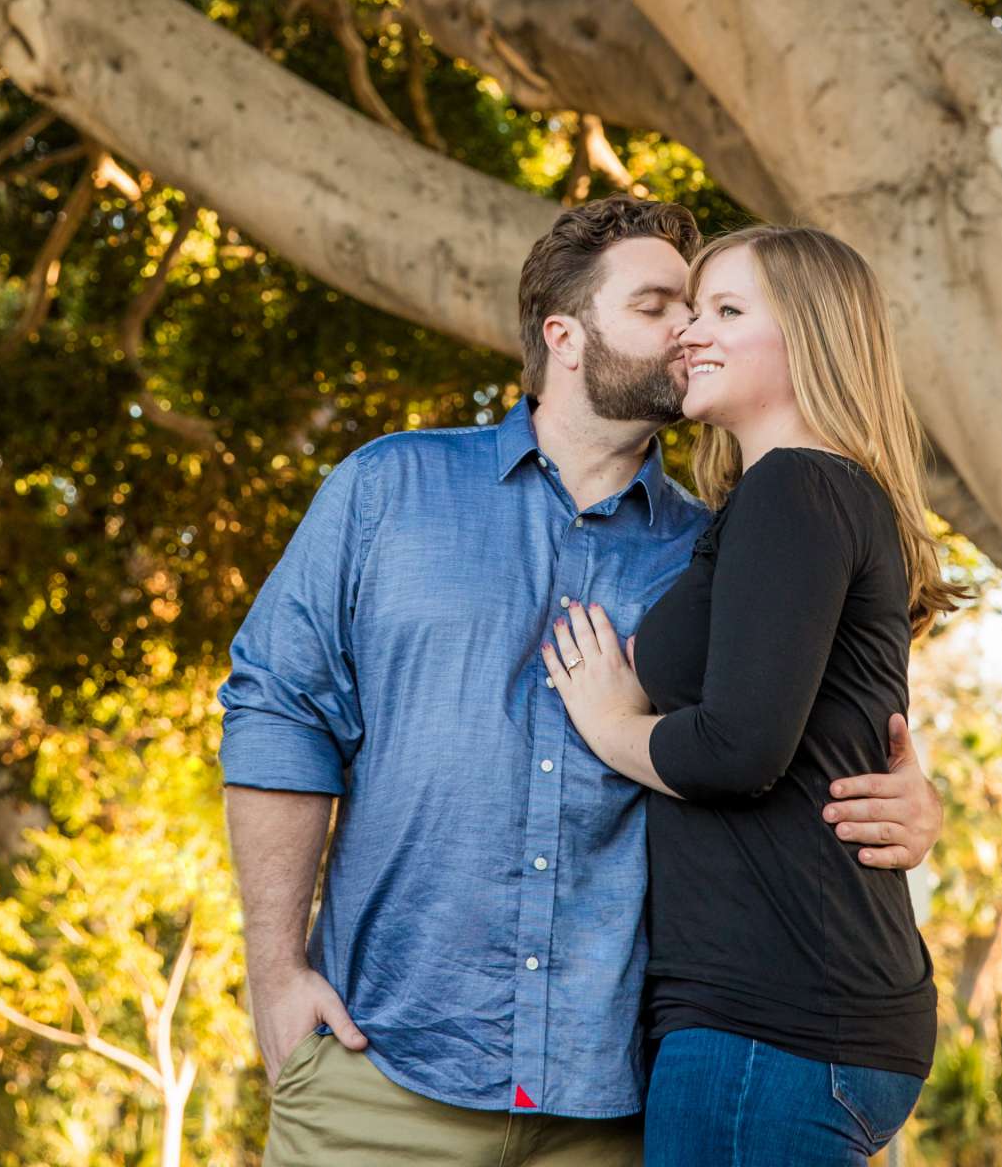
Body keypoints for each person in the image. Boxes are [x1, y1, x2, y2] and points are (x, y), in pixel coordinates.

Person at [220, 198, 942, 1166]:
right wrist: (274, 974)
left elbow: (816, 725)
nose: (687, 330)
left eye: (710, 310)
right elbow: (278, 714)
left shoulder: (721, 543)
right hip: (384, 1066)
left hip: (616, 1098)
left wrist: (915, 801)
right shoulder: (387, 491)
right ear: (564, 335)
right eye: (660, 306)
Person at [542, 224, 955, 1167]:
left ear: (811, 337)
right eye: (690, 310)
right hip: (793, 1015)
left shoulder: (797, 487)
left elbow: (740, 751)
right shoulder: (790, 502)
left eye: (727, 311)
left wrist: (611, 723)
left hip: (773, 1018)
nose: (692, 331)